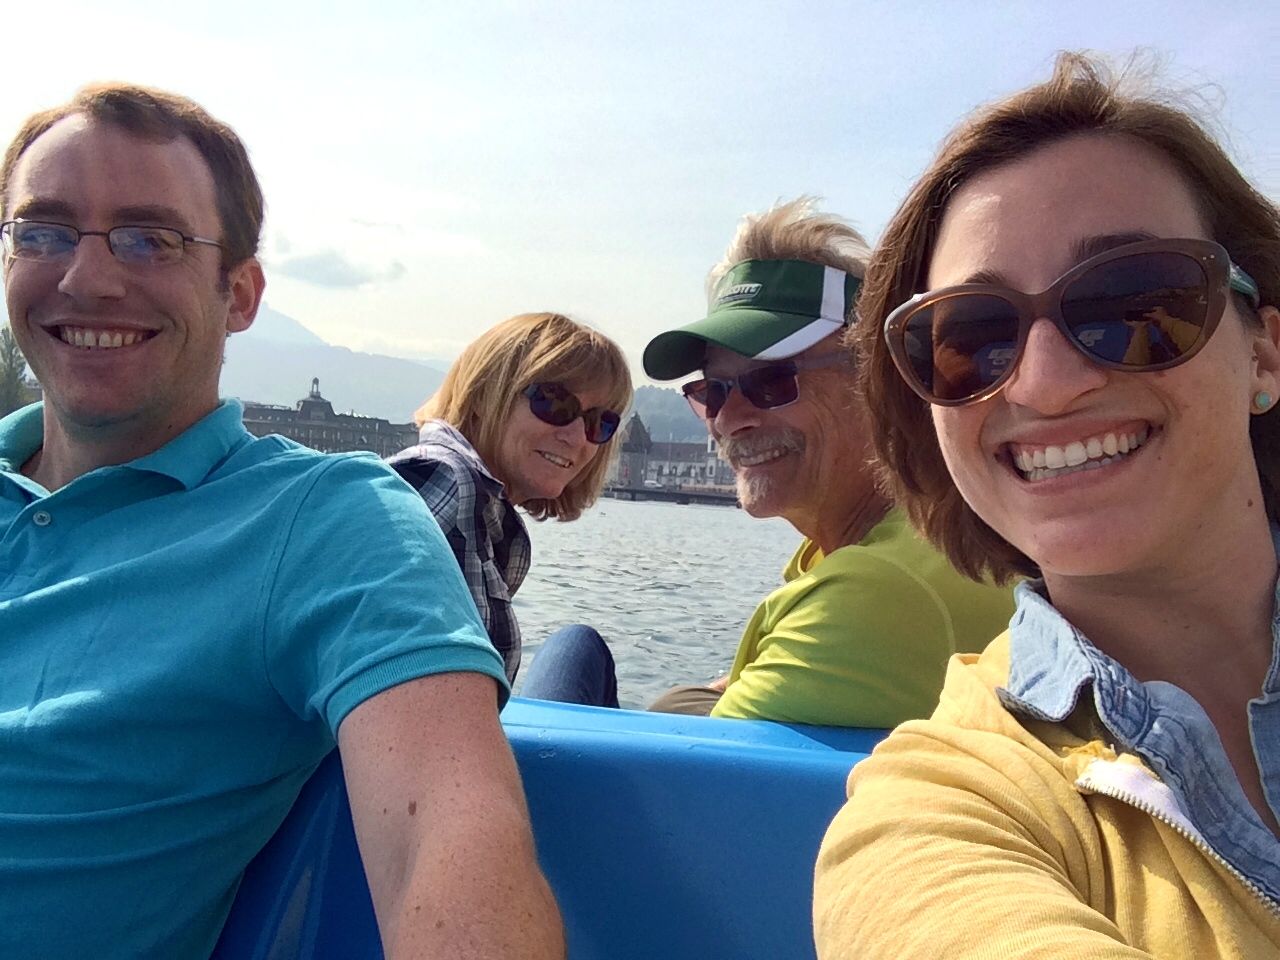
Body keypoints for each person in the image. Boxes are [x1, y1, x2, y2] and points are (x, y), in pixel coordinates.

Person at [0, 84, 562, 960]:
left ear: (240, 294)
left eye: (150, 238)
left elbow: (447, 837)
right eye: (43, 231)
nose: (87, 276)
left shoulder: (327, 520)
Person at [815, 53, 1280, 958]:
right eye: (970, 336)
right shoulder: (938, 809)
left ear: (1262, 354)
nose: (1045, 383)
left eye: (1132, 302)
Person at [523, 198, 1015, 727]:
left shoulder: (872, 590)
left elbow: (692, 768)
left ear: (878, 381)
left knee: (570, 658)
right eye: (713, 390)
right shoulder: (892, 544)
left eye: (773, 381)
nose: (731, 417)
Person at [388, 312, 632, 683]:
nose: (576, 437)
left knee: (578, 646)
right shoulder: (443, 480)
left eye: (599, 422)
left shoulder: (483, 509)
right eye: (554, 403)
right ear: (485, 395)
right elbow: (405, 678)